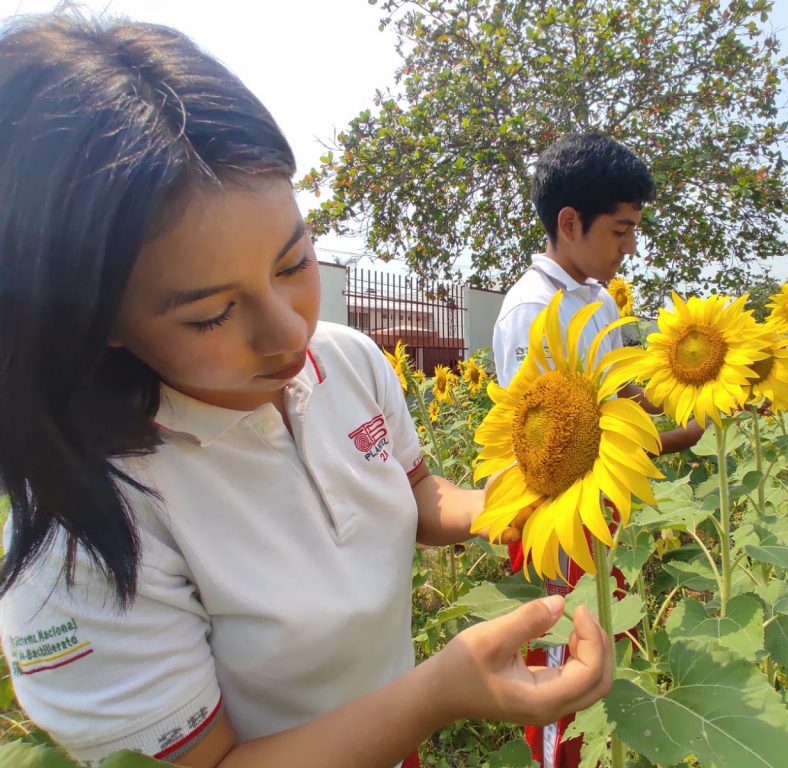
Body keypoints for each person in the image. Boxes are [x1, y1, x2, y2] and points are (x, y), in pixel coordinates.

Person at [0, 14, 612, 768]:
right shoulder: (88, 537)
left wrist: (508, 503)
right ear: (94, 318)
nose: (287, 332)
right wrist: (435, 696)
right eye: (212, 314)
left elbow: (415, 493)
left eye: (294, 263)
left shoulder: (347, 360)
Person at [492, 133, 704, 768]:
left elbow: (623, 396)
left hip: (597, 506)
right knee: (564, 669)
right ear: (569, 222)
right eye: (621, 229)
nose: (631, 245)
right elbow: (553, 450)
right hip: (557, 517)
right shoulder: (535, 311)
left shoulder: (591, 296)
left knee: (604, 648)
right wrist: (676, 440)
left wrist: (697, 392)